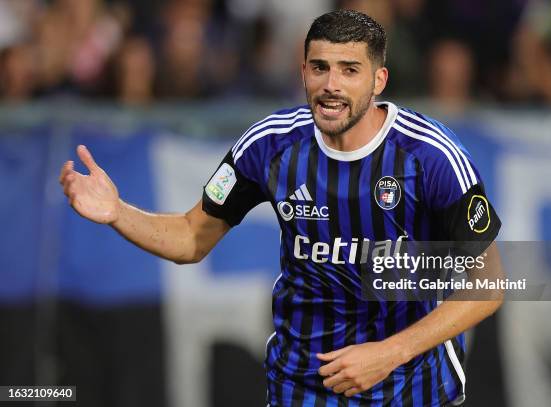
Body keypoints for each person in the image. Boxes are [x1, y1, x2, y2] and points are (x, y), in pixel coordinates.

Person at [59, 10, 504, 406]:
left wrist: (388, 353)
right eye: (320, 68)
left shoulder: (430, 155)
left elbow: (492, 284)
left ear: (378, 80)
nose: (331, 85)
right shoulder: (269, 145)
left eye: (350, 70)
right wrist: (118, 212)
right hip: (302, 385)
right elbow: (191, 237)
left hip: (411, 384)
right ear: (303, 72)